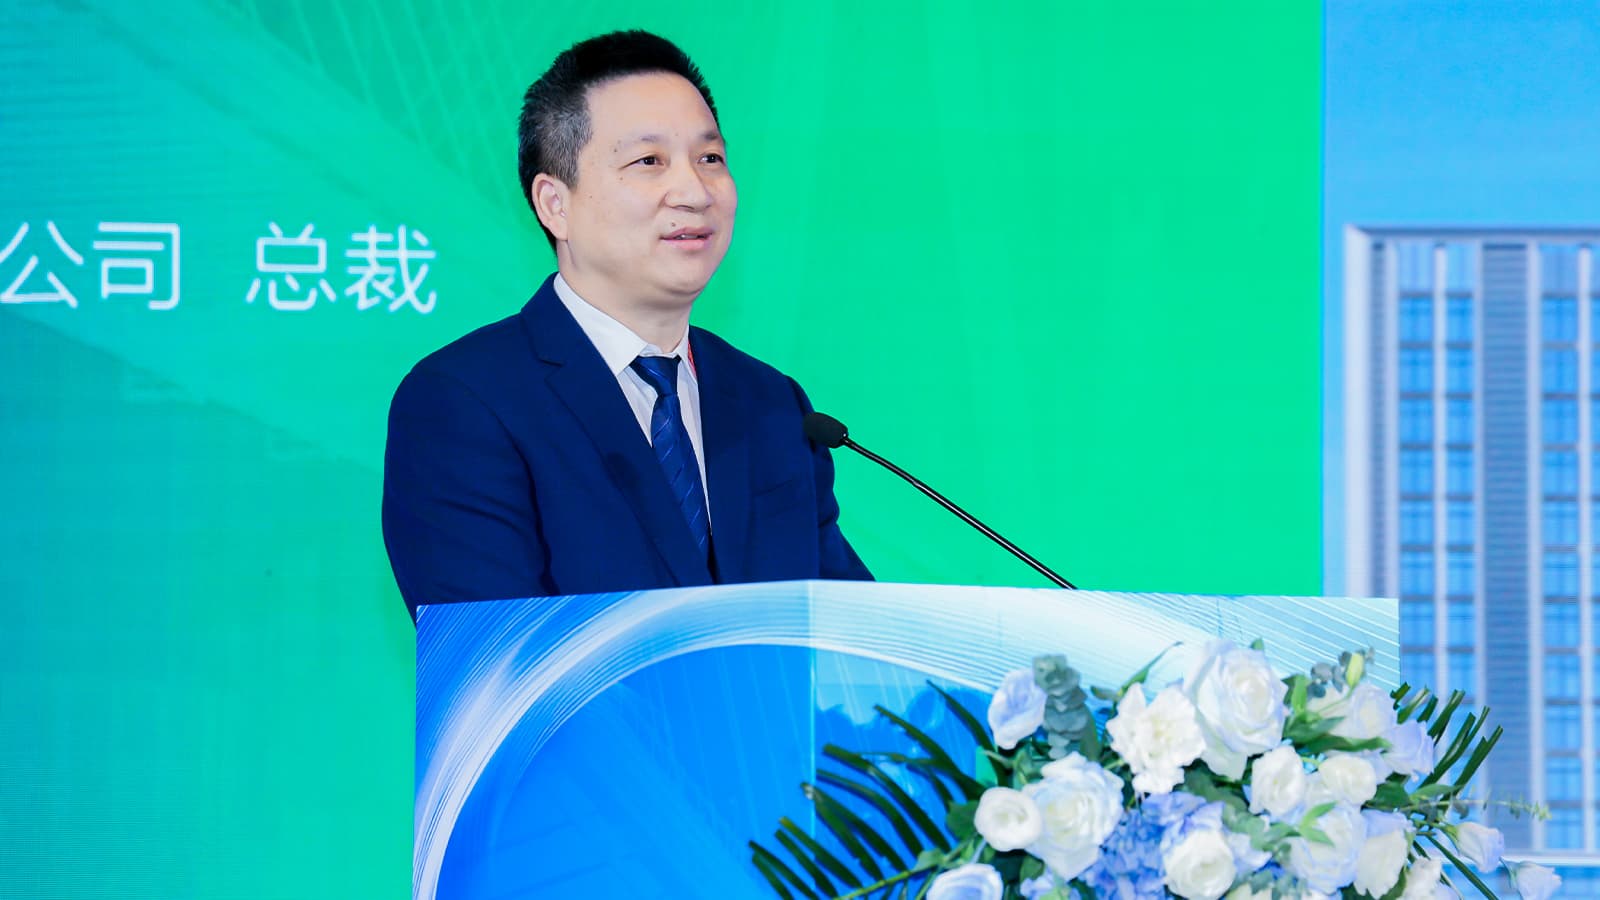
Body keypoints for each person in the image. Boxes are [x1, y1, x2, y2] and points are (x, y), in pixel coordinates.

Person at [383, 30, 871, 619]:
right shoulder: (464, 402)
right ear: (555, 204)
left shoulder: (772, 403)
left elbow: (848, 633)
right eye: (649, 161)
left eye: (710, 159)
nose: (694, 191)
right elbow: (498, 655)